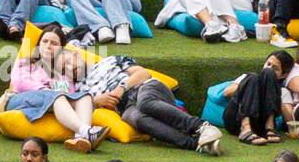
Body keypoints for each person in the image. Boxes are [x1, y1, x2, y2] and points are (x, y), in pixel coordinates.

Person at [83, 53, 225, 155]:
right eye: (65, 66)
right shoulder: (81, 91)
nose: (70, 66)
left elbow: (143, 74)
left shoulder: (110, 61)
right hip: (125, 107)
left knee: (145, 104)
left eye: (70, 59)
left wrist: (121, 88)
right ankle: (196, 144)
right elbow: (81, 113)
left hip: (145, 87)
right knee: (137, 119)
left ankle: (201, 126)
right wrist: (95, 101)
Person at [6, 26, 102, 153]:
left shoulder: (63, 74)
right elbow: (19, 84)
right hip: (21, 100)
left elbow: (70, 95)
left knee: (85, 97)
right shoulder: (26, 63)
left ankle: (80, 139)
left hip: (53, 103)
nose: (48, 45)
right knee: (56, 96)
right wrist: (47, 90)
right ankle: (86, 131)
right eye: (44, 41)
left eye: (54, 43)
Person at [221, 50, 293, 144]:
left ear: (283, 75)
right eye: (268, 64)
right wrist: (250, 87)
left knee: (268, 75)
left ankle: (269, 126)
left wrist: (275, 95)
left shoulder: (283, 91)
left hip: (259, 127)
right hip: (235, 120)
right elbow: (227, 93)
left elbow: (290, 121)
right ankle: (245, 128)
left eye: (275, 68)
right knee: (253, 78)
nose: (269, 68)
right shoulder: (249, 78)